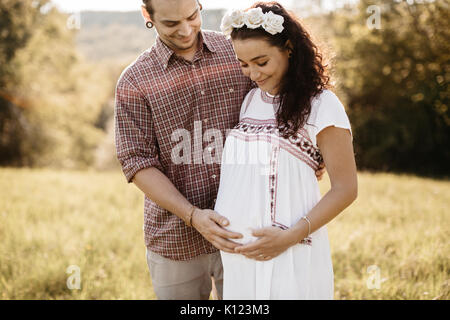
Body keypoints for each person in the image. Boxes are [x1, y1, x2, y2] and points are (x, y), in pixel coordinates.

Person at [115, 0, 324, 300]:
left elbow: (283, 107)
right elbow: (137, 162)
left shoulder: (238, 53)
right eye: (172, 24)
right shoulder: (134, 81)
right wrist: (192, 215)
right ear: (148, 15)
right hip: (176, 238)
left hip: (250, 229)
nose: (186, 30)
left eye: (192, 16)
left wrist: (309, 157)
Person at [214, 2, 358, 299]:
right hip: (240, 257)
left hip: (289, 249)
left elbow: (346, 189)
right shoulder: (251, 100)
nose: (252, 73)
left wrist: (288, 238)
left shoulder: (322, 105)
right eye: (243, 64)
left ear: (289, 48)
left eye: (261, 62)